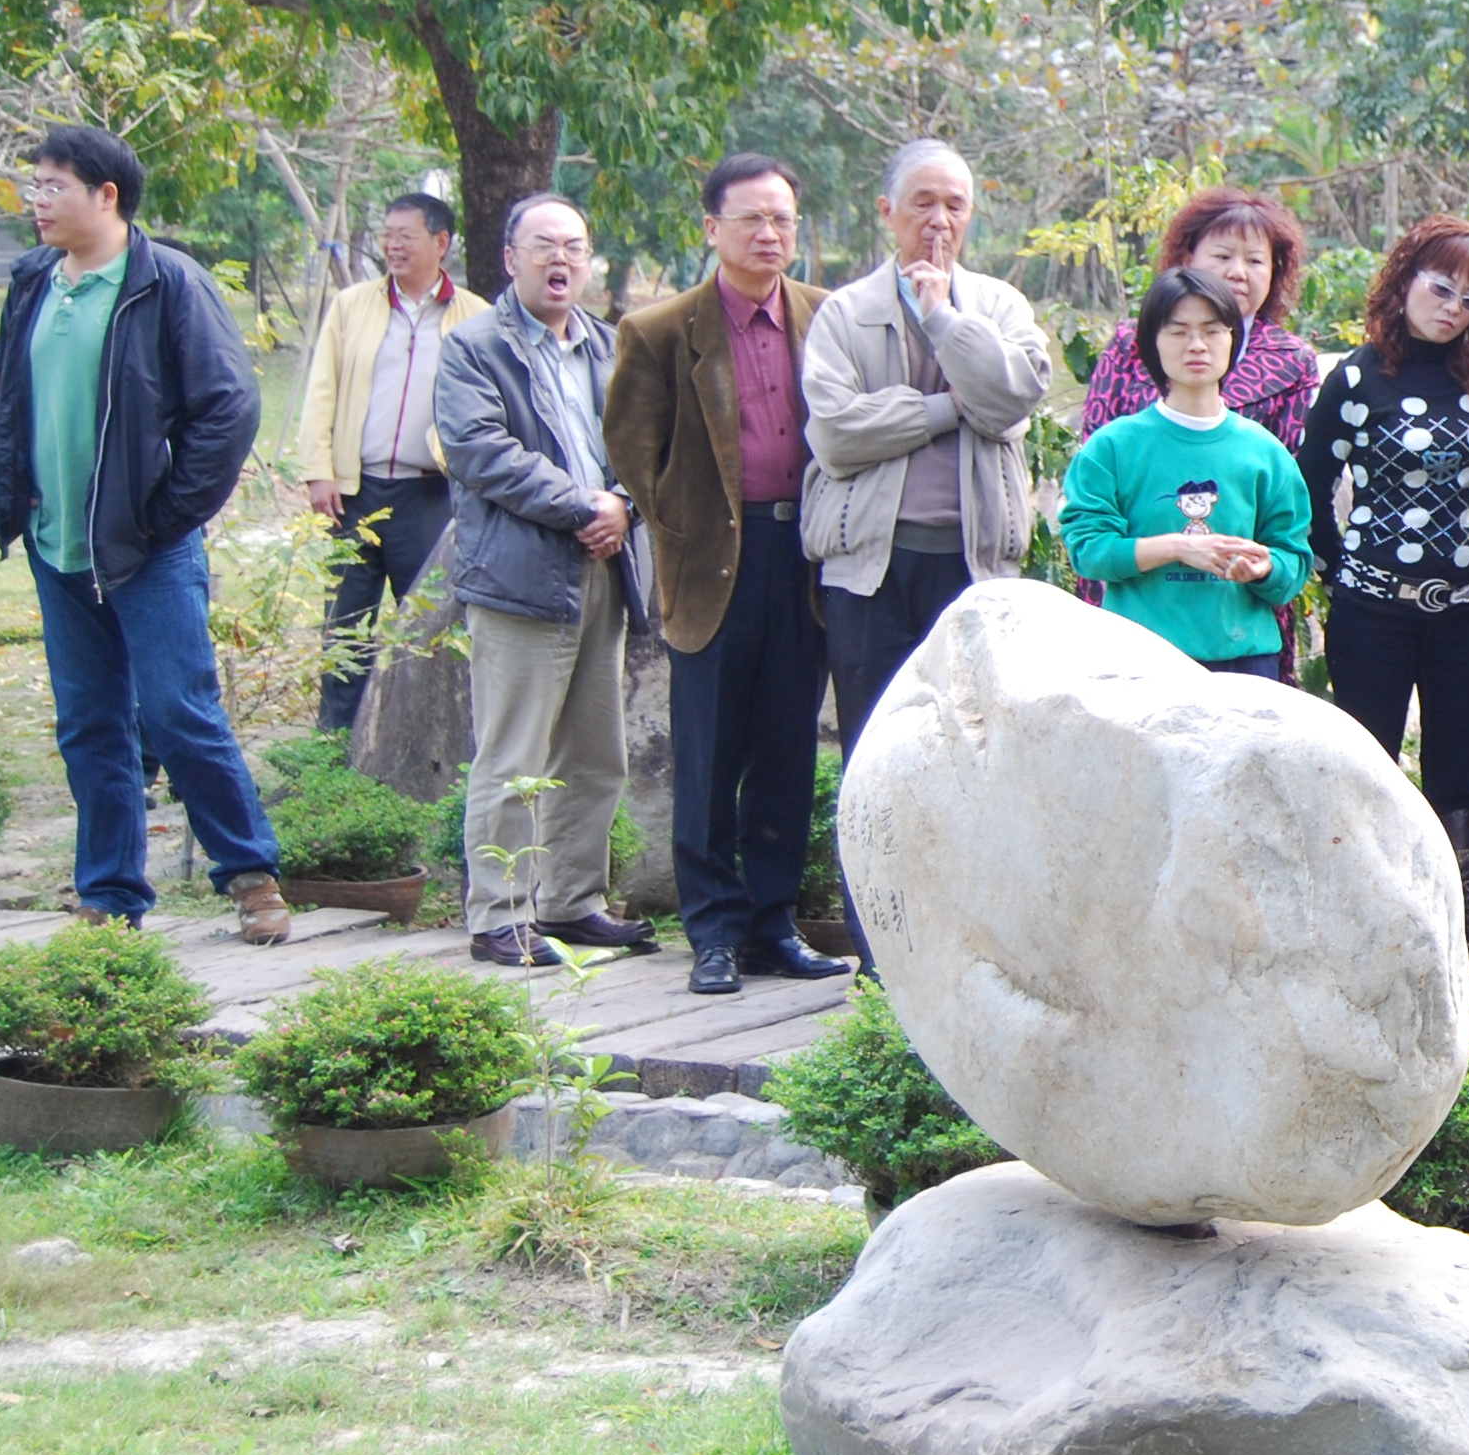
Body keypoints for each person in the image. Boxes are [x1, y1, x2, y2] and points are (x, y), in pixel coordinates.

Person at [0, 124, 291, 941]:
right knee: (90, 725)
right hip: (56, 545)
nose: (37, 201)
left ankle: (251, 874)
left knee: (178, 711)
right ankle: (110, 894)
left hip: (147, 549)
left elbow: (230, 408)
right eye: (33, 186)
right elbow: (1, 395)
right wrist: (0, 487)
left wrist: (163, 513)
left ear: (105, 195)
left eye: (53, 186)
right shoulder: (33, 280)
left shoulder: (165, 282)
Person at [608, 153, 852, 998]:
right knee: (709, 755)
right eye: (751, 218)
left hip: (804, 558)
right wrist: (685, 528)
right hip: (712, 562)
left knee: (787, 750)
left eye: (782, 218)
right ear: (713, 229)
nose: (769, 233)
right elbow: (635, 454)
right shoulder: (661, 330)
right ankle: (710, 932)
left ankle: (770, 925)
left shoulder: (827, 318)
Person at [433, 192, 651, 968]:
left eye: (575, 246)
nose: (561, 259)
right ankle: (499, 915)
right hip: (524, 574)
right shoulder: (475, 348)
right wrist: (582, 505)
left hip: (604, 566)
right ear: (509, 258)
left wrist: (623, 504)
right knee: (515, 752)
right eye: (543, 245)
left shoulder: (609, 345)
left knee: (595, 755)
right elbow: (480, 450)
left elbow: (641, 442)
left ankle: (571, 901)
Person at [804, 140, 1057, 803]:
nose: (939, 220)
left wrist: (944, 317)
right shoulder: (845, 314)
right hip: (869, 574)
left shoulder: (1000, 308)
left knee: (973, 759)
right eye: (923, 203)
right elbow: (836, 435)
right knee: (874, 757)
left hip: (973, 571)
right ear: (888, 211)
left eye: (955, 205)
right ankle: (873, 911)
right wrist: (953, 406)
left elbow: (1011, 398)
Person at [1301, 217, 1469, 935]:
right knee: (1370, 765)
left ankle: (1458, 938)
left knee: (1462, 779)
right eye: (1442, 287)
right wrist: (1347, 576)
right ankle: (1371, 928)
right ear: (1406, 280)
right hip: (1373, 614)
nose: (1453, 307)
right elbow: (1312, 490)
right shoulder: (1356, 378)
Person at [1061, 268, 1314, 675]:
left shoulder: (1266, 453)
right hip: (1140, 660)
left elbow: (1293, 563)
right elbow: (1089, 551)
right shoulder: (1112, 448)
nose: (1197, 345)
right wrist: (1179, 547)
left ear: (1234, 339)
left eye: (1212, 331)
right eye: (1178, 332)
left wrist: (1263, 568)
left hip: (1244, 663)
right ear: (1151, 344)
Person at [295, 191, 459, 729]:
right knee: (344, 625)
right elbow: (323, 389)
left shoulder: (473, 315)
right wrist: (320, 471)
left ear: (441, 242)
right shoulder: (352, 305)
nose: (392, 245)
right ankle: (333, 745)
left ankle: (420, 743)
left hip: (429, 493)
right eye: (387, 234)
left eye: (405, 235)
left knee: (428, 628)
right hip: (355, 489)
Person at [1077, 185, 1322, 448]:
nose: (1237, 272)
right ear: (1187, 257)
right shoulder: (1132, 343)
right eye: (1222, 256)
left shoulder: (1293, 362)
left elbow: (1292, 471)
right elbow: (1095, 449)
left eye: (1254, 261)